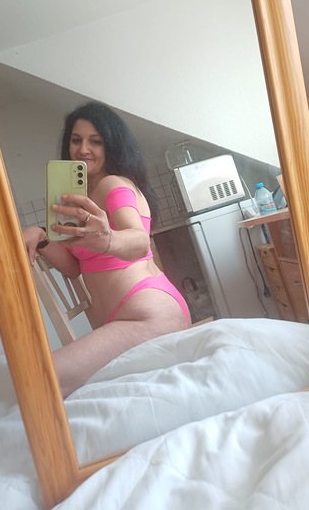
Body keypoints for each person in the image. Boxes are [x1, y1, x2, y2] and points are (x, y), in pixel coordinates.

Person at [24, 102, 191, 397]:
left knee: (41, 380)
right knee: (42, 379)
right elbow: (74, 267)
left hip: (149, 316)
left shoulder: (113, 185)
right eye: (76, 140)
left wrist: (108, 239)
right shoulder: (84, 199)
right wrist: (42, 237)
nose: (83, 149)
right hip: (123, 321)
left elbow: (139, 241)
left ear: (111, 146)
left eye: (95, 141)